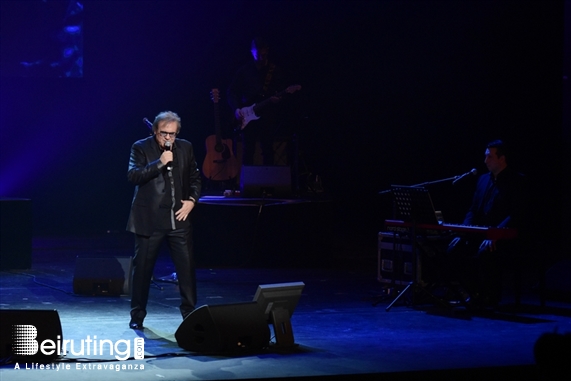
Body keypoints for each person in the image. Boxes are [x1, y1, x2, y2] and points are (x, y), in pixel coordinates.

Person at [126, 111, 201, 329]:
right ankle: (137, 315)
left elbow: (195, 178)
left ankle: (190, 315)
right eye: (163, 134)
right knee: (142, 270)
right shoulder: (140, 147)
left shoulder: (186, 147)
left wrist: (192, 201)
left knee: (186, 269)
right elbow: (134, 176)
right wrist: (159, 163)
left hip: (178, 218)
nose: (168, 138)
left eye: (172, 134)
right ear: (155, 131)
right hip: (150, 220)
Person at [448, 139, 529, 309]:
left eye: (490, 157)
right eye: (485, 157)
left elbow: (516, 214)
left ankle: (489, 296)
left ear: (502, 159)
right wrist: (464, 230)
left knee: (486, 251)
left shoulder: (517, 181)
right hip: (481, 233)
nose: (485, 161)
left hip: (505, 237)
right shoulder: (483, 179)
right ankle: (472, 292)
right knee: (455, 248)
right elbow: (473, 209)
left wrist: (496, 234)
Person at [227, 37, 289, 166]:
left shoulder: (274, 71)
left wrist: (279, 99)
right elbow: (232, 91)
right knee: (248, 150)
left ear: (267, 51)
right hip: (248, 116)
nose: (261, 55)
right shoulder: (244, 71)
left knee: (268, 150)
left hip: (267, 115)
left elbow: (281, 91)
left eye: (263, 51)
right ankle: (248, 183)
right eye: (258, 52)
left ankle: (269, 183)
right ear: (252, 51)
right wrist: (237, 109)